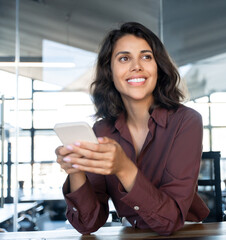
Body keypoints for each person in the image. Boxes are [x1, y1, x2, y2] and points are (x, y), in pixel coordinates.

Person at [55, 22, 209, 236]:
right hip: (133, 233)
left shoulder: (186, 121)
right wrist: (76, 170)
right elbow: (87, 224)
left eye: (146, 57)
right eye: (124, 58)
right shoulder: (102, 130)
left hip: (184, 233)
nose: (136, 66)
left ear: (158, 67)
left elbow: (170, 221)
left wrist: (123, 168)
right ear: (110, 70)